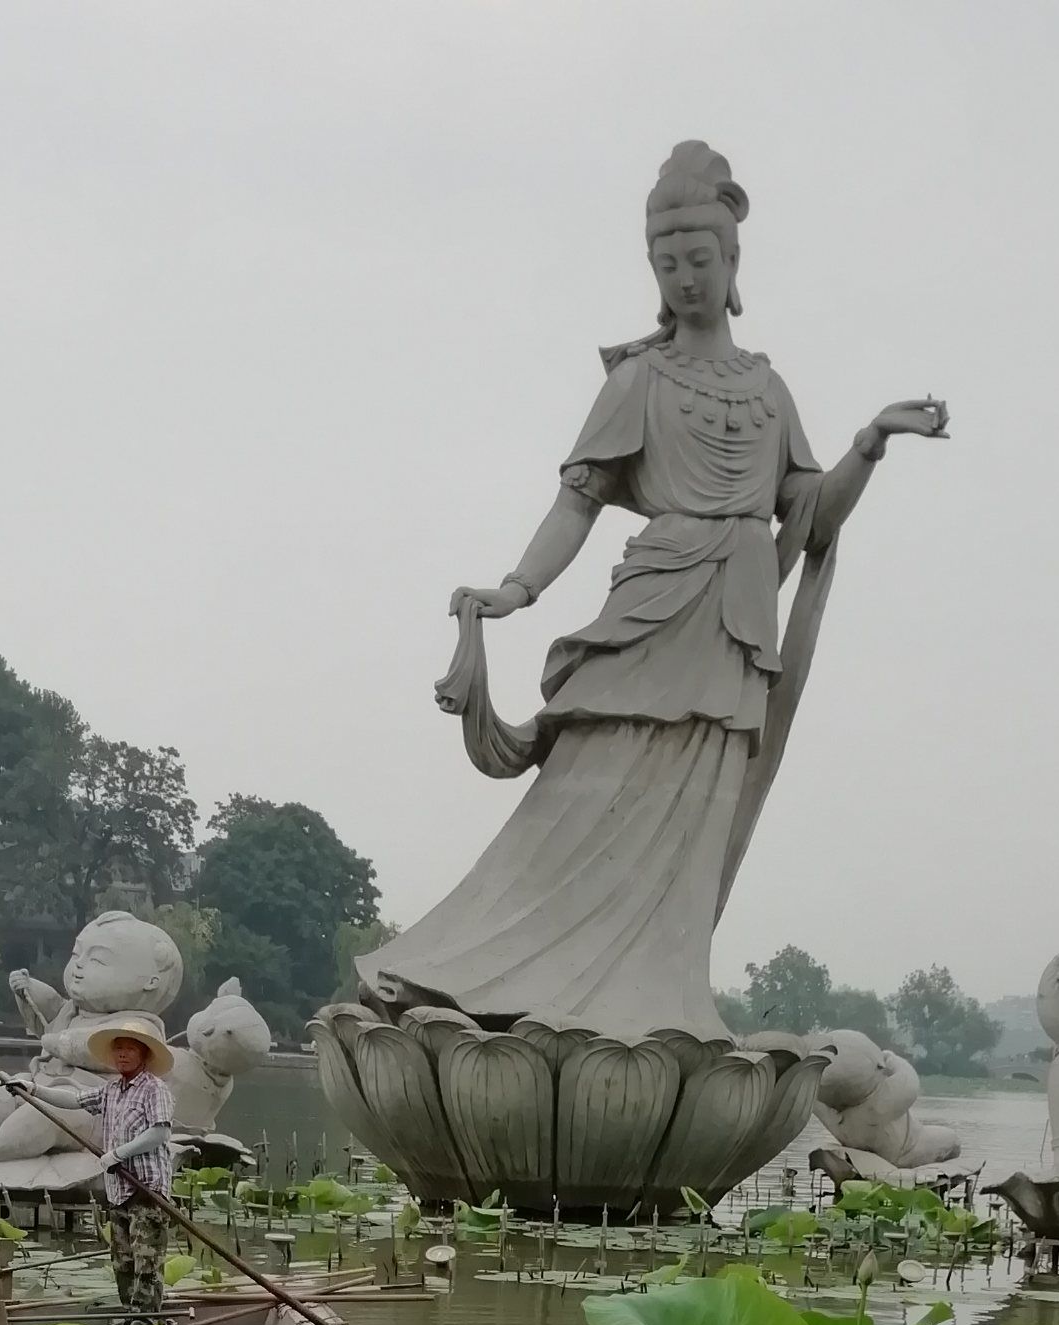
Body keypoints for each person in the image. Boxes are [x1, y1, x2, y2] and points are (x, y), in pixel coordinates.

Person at [354, 139, 947, 1042]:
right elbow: (577, 500)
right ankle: (489, 969)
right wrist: (516, 589)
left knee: (687, 828)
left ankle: (644, 999)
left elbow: (812, 514)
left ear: (732, 258)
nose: (685, 279)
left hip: (734, 630)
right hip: (651, 609)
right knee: (582, 797)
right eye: (668, 265)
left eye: (700, 261)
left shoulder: (769, 390)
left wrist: (870, 442)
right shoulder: (640, 377)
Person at [13, 1014, 176, 1321]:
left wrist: (119, 1154)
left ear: (144, 1054)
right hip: (119, 1192)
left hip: (147, 1190)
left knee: (147, 1261)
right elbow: (74, 1100)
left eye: (130, 1049)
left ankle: (146, 1322)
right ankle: (130, 1316)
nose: (123, 1054)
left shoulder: (155, 1089)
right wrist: (32, 1089)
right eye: (119, 1049)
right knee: (123, 1261)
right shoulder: (111, 1090)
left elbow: (160, 1132)